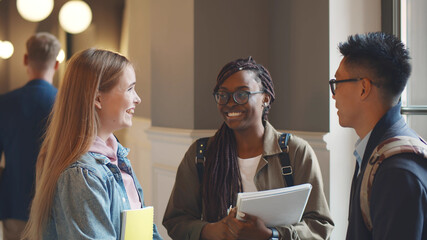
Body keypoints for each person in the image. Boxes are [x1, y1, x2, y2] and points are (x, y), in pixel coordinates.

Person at [163, 57, 334, 239]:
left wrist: (272, 235)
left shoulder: (295, 152)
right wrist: (214, 230)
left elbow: (320, 225)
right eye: (223, 95)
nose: (230, 102)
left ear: (265, 99)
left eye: (242, 94)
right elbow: (176, 222)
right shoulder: (200, 155)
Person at [21, 48, 163, 240]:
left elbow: (146, 232)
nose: (137, 99)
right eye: (130, 89)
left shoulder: (117, 158)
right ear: (97, 98)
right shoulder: (81, 174)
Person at [331, 32, 427, 239]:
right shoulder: (379, 151)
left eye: (337, 83)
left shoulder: (397, 172)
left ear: (364, 88)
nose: (333, 94)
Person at [0, 32, 60, 240]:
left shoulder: (4, 103)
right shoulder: (65, 104)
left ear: (26, 59)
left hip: (14, 203)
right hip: (56, 205)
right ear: (57, 63)